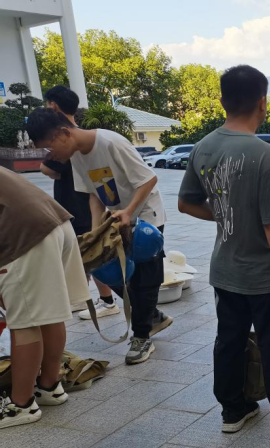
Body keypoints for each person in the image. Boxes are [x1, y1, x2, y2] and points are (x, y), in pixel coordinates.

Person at [178, 65, 270, 446]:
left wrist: (223, 215)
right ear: (262, 102)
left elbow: (186, 203)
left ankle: (233, 410)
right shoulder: (264, 154)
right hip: (264, 275)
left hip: (225, 269)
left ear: (222, 101)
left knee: (229, 340)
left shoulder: (203, 147)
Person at [27, 108, 172, 366]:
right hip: (116, 218)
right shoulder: (76, 155)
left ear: (64, 133)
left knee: (145, 279)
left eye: (49, 146)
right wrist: (96, 233)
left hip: (145, 217)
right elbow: (94, 195)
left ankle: (142, 336)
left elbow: (148, 179)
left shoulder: (111, 143)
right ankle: (152, 315)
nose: (50, 155)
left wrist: (129, 211)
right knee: (108, 271)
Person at [0, 169, 89, 428]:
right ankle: (49, 388)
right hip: (56, 224)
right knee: (47, 313)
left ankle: (21, 405)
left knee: (24, 322)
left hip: (24, 235)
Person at [40, 85, 120, 319]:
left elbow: (46, 168)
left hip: (80, 205)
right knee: (81, 254)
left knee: (90, 253)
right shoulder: (77, 136)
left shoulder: (69, 138)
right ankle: (83, 298)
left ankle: (110, 301)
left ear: (54, 105)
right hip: (81, 203)